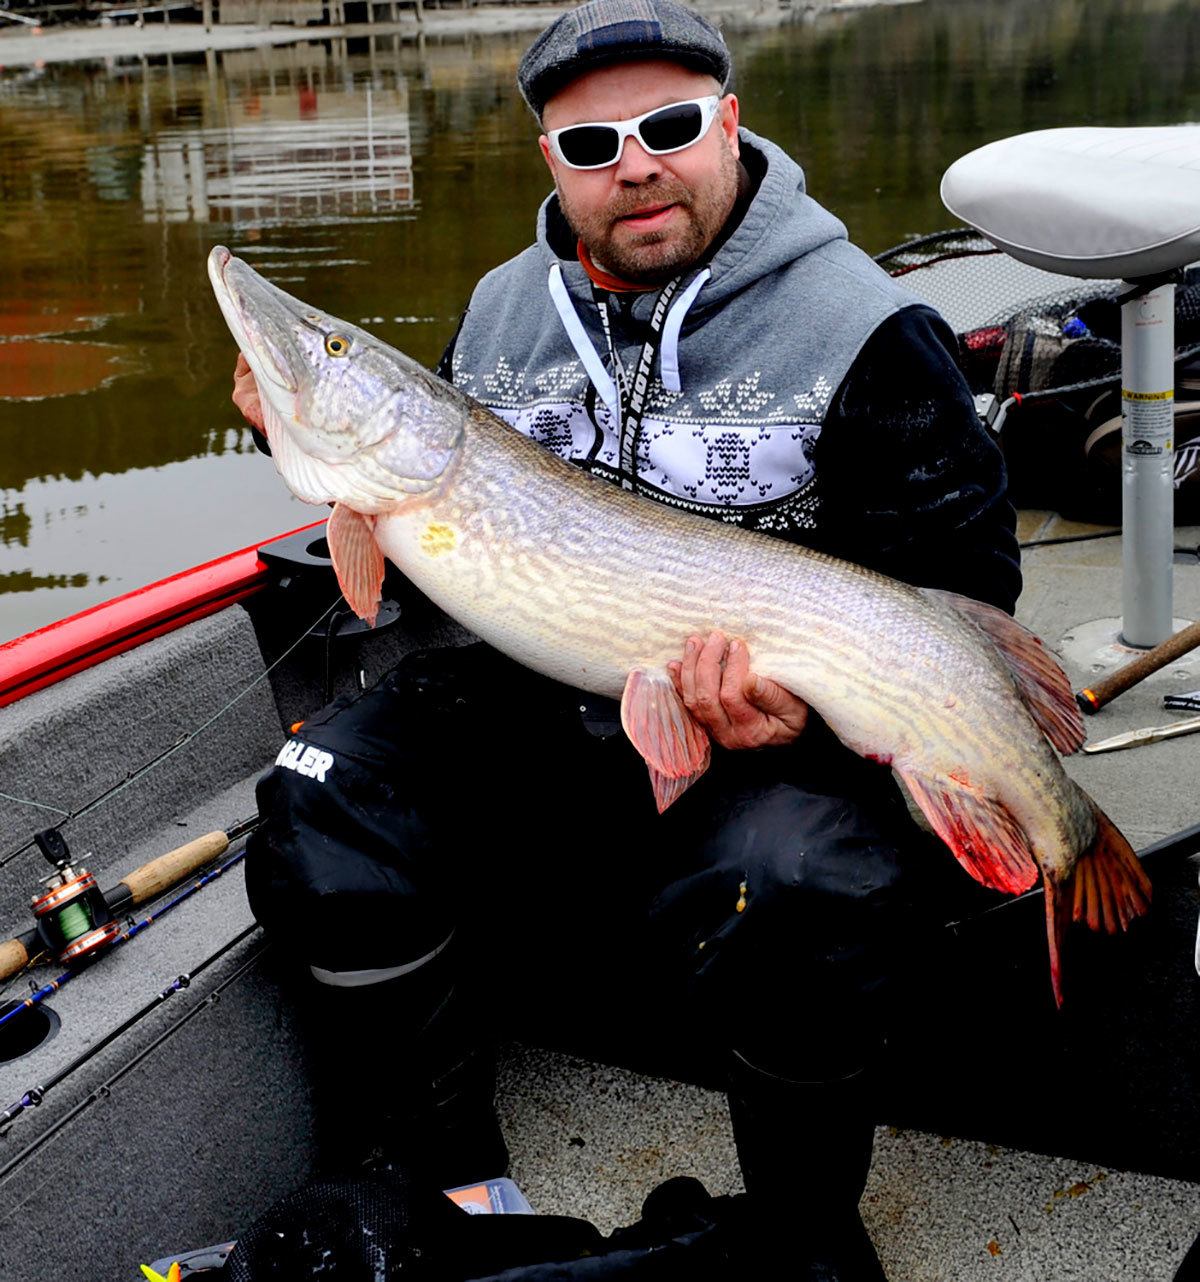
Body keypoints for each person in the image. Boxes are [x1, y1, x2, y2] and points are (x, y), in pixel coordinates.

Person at [233, 3, 1020, 1277]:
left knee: (797, 877)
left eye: (669, 126)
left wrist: (794, 712)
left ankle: (804, 1226)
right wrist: (302, 426)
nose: (636, 166)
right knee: (322, 788)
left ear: (729, 123)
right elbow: (428, 569)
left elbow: (963, 585)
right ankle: (463, 1182)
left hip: (773, 740)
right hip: (547, 702)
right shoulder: (501, 313)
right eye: (593, 143)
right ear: (552, 160)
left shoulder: (866, 325)